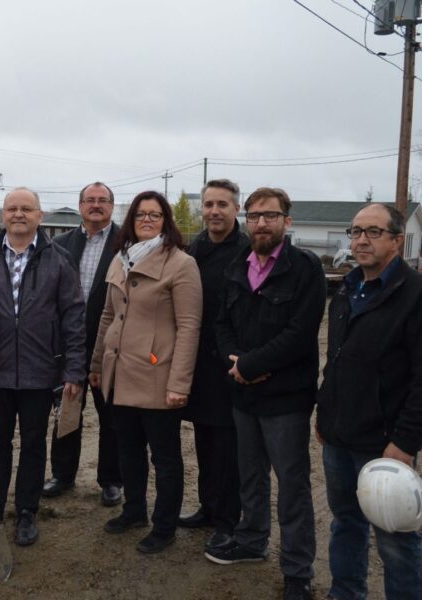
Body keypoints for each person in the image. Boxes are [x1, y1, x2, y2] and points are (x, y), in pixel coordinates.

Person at [208, 187, 326, 600]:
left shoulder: (305, 268)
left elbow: (300, 333)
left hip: (285, 400)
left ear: (286, 221)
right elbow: (222, 323)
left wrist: (252, 366)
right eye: (254, 216)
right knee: (250, 477)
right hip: (243, 396)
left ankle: (297, 570)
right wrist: (234, 363)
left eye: (270, 216)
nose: (261, 223)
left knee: (292, 486)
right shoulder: (238, 266)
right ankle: (252, 541)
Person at [0, 187, 86, 546]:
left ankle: (27, 511)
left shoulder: (58, 260)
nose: (18, 214)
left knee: (32, 444)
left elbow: (74, 317)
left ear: (39, 216)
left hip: (39, 371)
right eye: (12, 208)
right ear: (2, 216)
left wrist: (74, 370)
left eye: (26, 209)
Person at [316, 203, 422, 600]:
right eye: (356, 231)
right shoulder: (348, 289)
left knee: (395, 536)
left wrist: (406, 442)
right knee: (346, 523)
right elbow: (337, 361)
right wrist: (325, 413)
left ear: (397, 240)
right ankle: (346, 592)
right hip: (340, 435)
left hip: (385, 445)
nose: (361, 239)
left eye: (373, 232)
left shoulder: (413, 295)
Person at [90, 190, 201, 555]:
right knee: (128, 450)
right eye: (141, 215)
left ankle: (164, 525)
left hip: (157, 377)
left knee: (165, 457)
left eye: (155, 215)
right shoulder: (119, 260)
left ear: (166, 221)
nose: (148, 221)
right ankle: (134, 510)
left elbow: (188, 327)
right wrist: (96, 366)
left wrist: (179, 383)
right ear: (131, 221)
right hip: (119, 375)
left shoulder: (181, 264)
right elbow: (108, 317)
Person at [42, 181, 123, 507]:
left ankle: (111, 480)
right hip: (68, 344)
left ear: (112, 206)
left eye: (102, 200)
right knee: (67, 411)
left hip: (110, 343)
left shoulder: (125, 244)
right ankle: (62, 474)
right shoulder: (60, 244)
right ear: (79, 206)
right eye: (90, 200)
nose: (96, 205)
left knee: (112, 416)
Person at [179, 179, 248, 549]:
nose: (214, 211)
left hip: (232, 361)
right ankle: (208, 507)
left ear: (236, 209)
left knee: (228, 446)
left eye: (223, 204)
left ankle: (227, 518)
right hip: (199, 360)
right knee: (204, 439)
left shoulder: (248, 250)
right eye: (208, 204)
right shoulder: (195, 248)